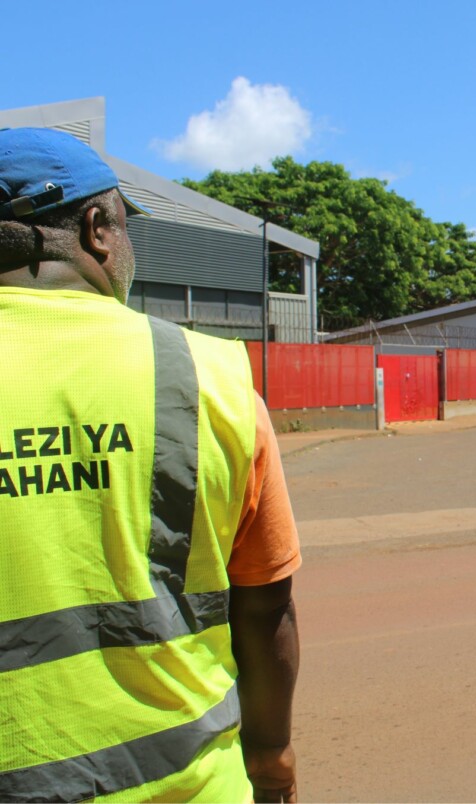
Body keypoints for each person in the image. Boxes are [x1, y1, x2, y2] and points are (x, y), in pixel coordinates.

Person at [0, 128, 301, 802]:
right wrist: (272, 762)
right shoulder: (210, 376)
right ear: (96, 229)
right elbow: (266, 609)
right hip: (188, 784)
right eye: (127, 226)